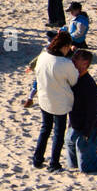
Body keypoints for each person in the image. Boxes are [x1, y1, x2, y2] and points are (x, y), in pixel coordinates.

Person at [31, 31, 79, 171]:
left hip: (44, 98)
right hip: (59, 102)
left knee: (45, 129)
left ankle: (37, 159)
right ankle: (54, 163)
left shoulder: (43, 55)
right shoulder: (64, 63)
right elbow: (74, 80)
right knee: (58, 132)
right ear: (64, 46)